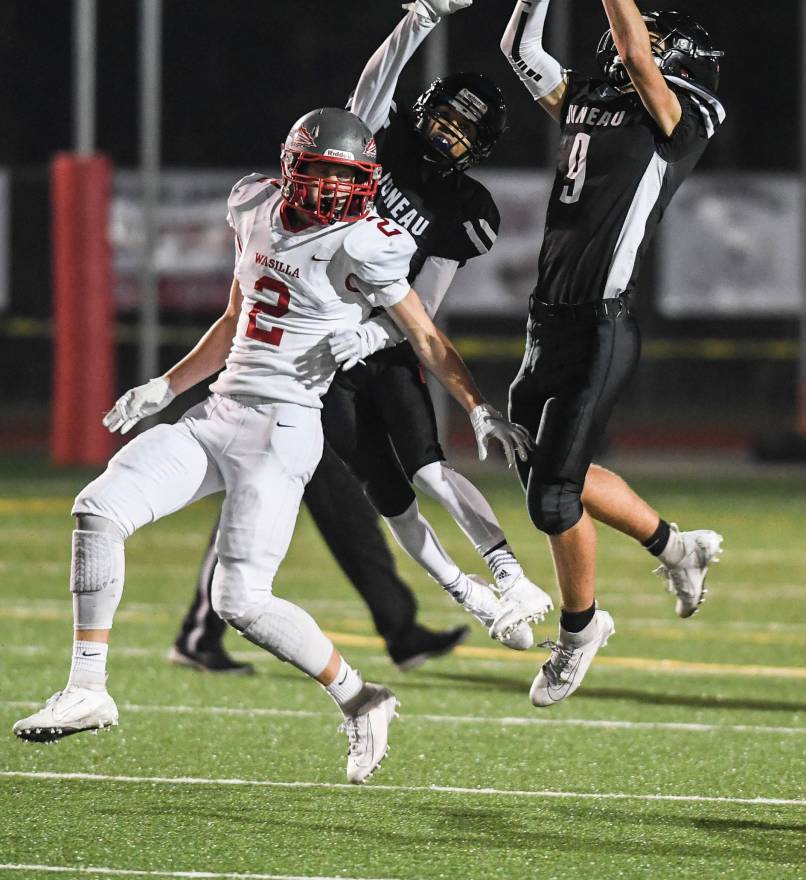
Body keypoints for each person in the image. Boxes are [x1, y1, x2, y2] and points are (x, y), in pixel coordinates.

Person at [12, 107, 529, 784]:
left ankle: (361, 696)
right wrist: (164, 388)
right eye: (319, 175)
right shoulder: (253, 204)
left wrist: (478, 405)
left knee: (241, 601)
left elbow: (427, 337)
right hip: (221, 411)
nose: (330, 193)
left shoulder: (370, 241)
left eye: (345, 179)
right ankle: (88, 688)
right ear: (290, 169)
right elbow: (235, 318)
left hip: (284, 433)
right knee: (97, 510)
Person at [499, 0, 726, 706]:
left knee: (551, 495)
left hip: (603, 321)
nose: (645, 46)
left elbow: (637, 57)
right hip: (548, 315)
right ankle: (674, 545)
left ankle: (580, 627)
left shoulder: (685, 115)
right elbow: (519, 49)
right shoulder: (595, 99)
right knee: (547, 464)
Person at [317, 0, 555, 648]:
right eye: (446, 118)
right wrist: (420, 18)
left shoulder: (463, 209)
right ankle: (473, 598)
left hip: (383, 337)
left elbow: (424, 313)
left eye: (464, 132)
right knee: (388, 496)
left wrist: (473, 402)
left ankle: (507, 571)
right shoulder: (375, 142)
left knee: (428, 468)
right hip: (316, 338)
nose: (449, 134)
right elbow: (370, 87)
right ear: (425, 110)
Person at [171, 444, 468, 675]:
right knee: (248, 519)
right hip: (277, 417)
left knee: (354, 519)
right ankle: (199, 637)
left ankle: (401, 630)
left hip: (313, 416)